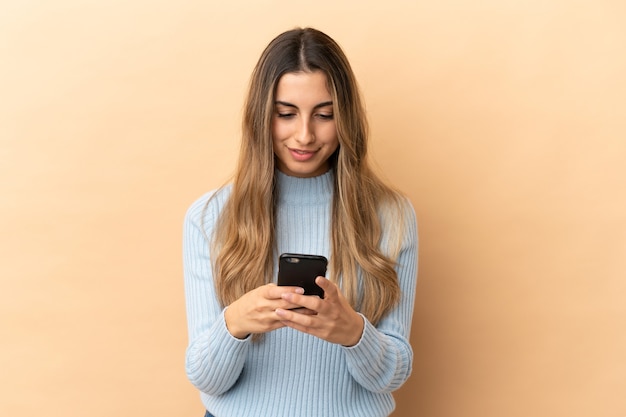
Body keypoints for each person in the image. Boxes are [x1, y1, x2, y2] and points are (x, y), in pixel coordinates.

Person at [183, 27, 418, 417]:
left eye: (324, 115)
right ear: (261, 116)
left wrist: (353, 334)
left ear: (346, 117)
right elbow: (206, 378)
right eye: (286, 114)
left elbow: (394, 374)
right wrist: (236, 323)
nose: (305, 135)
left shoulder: (391, 215)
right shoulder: (209, 217)